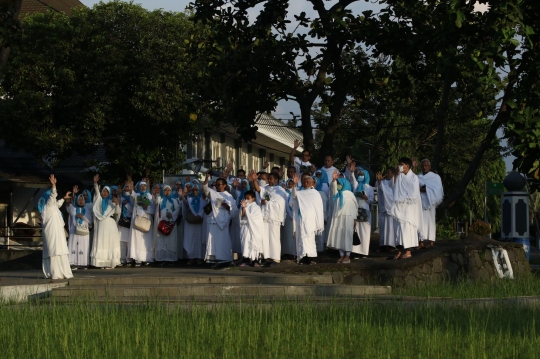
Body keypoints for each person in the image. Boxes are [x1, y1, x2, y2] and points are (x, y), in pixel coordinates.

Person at [39, 175, 73, 279]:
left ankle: (57, 272)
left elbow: (57, 203)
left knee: (58, 251)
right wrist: (53, 186)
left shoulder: (51, 207)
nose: (53, 199)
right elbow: (53, 197)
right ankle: (55, 273)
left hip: (55, 232)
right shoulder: (48, 206)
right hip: (53, 233)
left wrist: (63, 198)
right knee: (55, 251)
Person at [389, 157, 424, 259]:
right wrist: (396, 173)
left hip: (409, 208)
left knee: (408, 229)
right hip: (400, 208)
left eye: (402, 164)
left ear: (407, 166)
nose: (400, 166)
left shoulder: (414, 177)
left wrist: (403, 199)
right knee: (399, 229)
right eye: (400, 164)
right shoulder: (399, 176)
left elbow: (413, 193)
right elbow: (394, 187)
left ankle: (408, 251)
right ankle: (399, 251)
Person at [251, 170, 286, 266]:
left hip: (274, 218)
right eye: (268, 179)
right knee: (265, 238)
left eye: (270, 179)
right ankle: (267, 258)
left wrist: (267, 203)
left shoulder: (280, 191)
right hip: (265, 217)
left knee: (274, 238)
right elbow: (258, 190)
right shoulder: (266, 188)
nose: (268, 180)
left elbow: (280, 204)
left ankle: (275, 258)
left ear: (276, 180)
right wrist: (254, 180)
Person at [202, 173, 236, 266]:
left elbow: (234, 210)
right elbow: (205, 190)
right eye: (216, 185)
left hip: (223, 221)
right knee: (211, 240)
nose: (217, 186)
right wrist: (206, 178)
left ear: (224, 185)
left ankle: (224, 258)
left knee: (222, 240)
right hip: (212, 220)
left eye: (219, 185)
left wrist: (226, 206)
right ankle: (212, 258)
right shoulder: (213, 193)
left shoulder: (228, 196)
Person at [290, 173, 324, 264]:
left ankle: (311, 258)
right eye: (304, 181)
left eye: (308, 182)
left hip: (310, 220)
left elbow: (318, 209)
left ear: (312, 183)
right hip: (301, 219)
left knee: (310, 238)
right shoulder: (300, 192)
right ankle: (302, 257)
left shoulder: (315, 193)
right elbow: (293, 196)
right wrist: (294, 184)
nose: (306, 183)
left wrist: (319, 222)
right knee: (301, 238)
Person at [326, 170, 358, 263]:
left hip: (348, 218)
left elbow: (354, 208)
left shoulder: (350, 195)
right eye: (338, 183)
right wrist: (334, 180)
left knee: (347, 236)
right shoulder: (337, 195)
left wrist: (354, 219)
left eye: (340, 183)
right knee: (339, 236)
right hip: (338, 218)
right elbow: (332, 189)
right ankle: (341, 255)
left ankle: (347, 255)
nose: (338, 185)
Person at [345, 159, 375, 258]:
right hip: (357, 210)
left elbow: (371, 200)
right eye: (359, 174)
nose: (360, 175)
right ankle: (356, 251)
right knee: (356, 230)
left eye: (362, 174)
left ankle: (364, 252)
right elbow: (353, 179)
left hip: (365, 211)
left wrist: (365, 198)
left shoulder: (369, 188)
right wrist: (353, 171)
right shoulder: (356, 185)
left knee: (365, 232)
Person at [91, 174, 121, 269]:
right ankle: (101, 263)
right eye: (103, 191)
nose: (105, 193)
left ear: (109, 194)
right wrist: (95, 183)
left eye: (107, 192)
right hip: (101, 225)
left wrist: (117, 204)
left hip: (110, 225)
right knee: (101, 242)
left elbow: (117, 213)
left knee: (109, 242)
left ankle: (110, 262)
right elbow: (96, 192)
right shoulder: (98, 200)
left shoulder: (111, 201)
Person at [418, 159, 444, 248]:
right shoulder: (418, 176)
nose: (424, 167)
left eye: (426, 166)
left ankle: (431, 241)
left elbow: (437, 189)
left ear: (429, 167)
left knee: (431, 222)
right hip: (421, 202)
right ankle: (420, 241)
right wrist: (423, 189)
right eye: (423, 166)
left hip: (430, 202)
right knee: (420, 221)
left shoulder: (435, 177)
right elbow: (415, 187)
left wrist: (424, 189)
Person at [129, 180, 156, 266]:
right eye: (141, 186)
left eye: (144, 186)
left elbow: (153, 209)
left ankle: (147, 258)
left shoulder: (150, 196)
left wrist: (146, 208)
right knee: (137, 240)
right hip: (137, 220)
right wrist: (130, 188)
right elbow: (132, 196)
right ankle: (138, 259)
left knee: (146, 241)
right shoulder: (137, 195)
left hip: (146, 220)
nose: (143, 187)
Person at [153, 185, 181, 264]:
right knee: (161, 240)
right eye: (165, 190)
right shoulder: (160, 199)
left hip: (170, 223)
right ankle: (162, 258)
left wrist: (172, 214)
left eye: (169, 190)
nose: (167, 192)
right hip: (162, 222)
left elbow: (178, 209)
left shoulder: (174, 200)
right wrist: (157, 195)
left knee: (170, 240)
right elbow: (156, 202)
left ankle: (171, 258)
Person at [67, 192, 93, 269]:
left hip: (84, 230)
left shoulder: (87, 210)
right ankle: (73, 263)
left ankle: (83, 263)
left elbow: (90, 221)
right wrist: (70, 199)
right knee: (73, 245)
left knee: (83, 246)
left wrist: (83, 217)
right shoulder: (73, 209)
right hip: (74, 230)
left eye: (82, 200)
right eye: (79, 200)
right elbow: (69, 207)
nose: (81, 201)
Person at [239, 190, 264, 266]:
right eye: (245, 198)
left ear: (253, 198)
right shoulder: (244, 206)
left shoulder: (256, 207)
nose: (246, 200)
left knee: (254, 244)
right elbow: (242, 216)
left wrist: (247, 214)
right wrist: (244, 208)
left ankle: (255, 261)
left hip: (254, 229)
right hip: (245, 228)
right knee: (245, 243)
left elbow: (255, 218)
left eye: (248, 198)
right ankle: (245, 261)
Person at [183, 182, 205, 264]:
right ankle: (191, 257)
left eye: (196, 190)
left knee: (199, 239)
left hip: (199, 222)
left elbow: (204, 207)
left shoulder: (202, 199)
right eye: (193, 190)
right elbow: (184, 205)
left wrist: (199, 216)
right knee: (190, 239)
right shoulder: (189, 198)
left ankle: (199, 257)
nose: (195, 191)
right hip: (190, 223)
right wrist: (184, 196)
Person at [376, 168, 397, 250]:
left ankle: (392, 245)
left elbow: (390, 192)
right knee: (383, 229)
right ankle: (383, 245)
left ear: (393, 174)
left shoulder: (394, 182)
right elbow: (380, 188)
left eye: (389, 173)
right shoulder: (383, 182)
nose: (387, 174)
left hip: (392, 209)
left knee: (391, 229)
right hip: (384, 209)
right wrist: (379, 181)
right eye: (386, 173)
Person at [118, 182, 134, 266]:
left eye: (128, 187)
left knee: (129, 241)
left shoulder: (131, 198)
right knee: (121, 240)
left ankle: (129, 259)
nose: (127, 189)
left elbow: (132, 210)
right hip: (121, 221)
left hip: (129, 221)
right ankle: (122, 258)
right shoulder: (121, 197)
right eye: (126, 187)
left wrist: (127, 203)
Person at [312, 176, 329, 253]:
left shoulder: (322, 194)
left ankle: (320, 250)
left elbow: (324, 207)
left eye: (314, 182)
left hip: (321, 217)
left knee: (320, 235)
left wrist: (324, 218)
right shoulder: (309, 192)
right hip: (312, 217)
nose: (312, 184)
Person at [280, 179, 296, 259]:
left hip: (295, 218)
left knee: (294, 236)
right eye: (289, 184)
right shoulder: (285, 193)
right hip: (287, 218)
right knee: (287, 236)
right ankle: (286, 252)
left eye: (292, 184)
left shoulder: (296, 192)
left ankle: (293, 253)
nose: (290, 185)